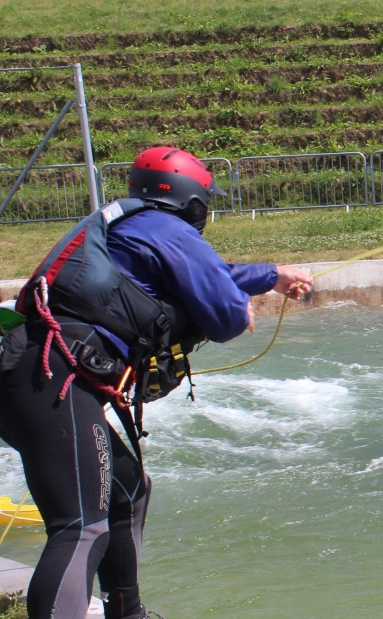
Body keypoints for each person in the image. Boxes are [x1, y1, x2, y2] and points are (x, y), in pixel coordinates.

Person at [0, 147, 313, 619]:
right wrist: (240, 304)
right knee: (81, 525)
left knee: (128, 488)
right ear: (194, 202)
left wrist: (270, 276)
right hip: (52, 377)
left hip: (31, 370)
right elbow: (225, 314)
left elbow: (201, 275)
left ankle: (129, 613)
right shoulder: (169, 229)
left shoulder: (136, 226)